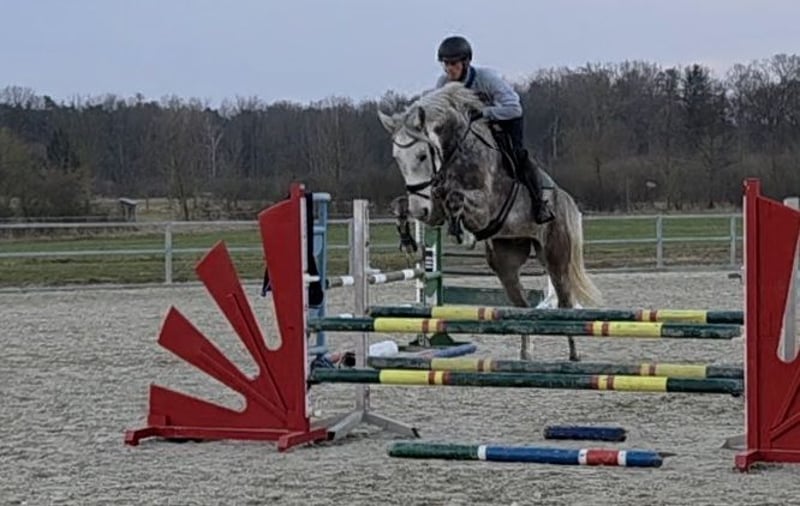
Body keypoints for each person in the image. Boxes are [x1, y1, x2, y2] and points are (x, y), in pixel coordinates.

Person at [434, 35, 554, 224]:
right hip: (470, 128)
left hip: (504, 119)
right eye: (445, 64)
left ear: (465, 62)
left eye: (453, 64)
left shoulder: (487, 79)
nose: (449, 69)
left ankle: (540, 204)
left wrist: (485, 113)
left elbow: (514, 108)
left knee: (518, 155)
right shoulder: (443, 84)